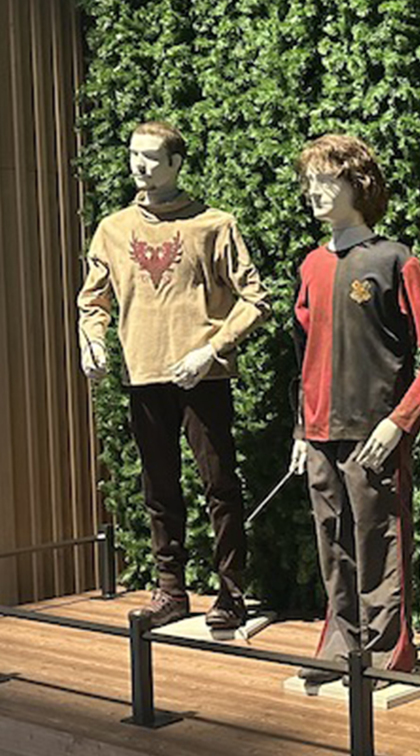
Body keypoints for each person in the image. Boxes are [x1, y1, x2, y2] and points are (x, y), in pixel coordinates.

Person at [78, 121, 270, 629]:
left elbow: (256, 299)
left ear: (177, 163)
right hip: (144, 375)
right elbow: (92, 301)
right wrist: (92, 340)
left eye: (150, 156)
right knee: (158, 489)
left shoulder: (213, 225)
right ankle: (171, 591)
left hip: (202, 376)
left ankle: (231, 593)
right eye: (133, 155)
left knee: (220, 484)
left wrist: (212, 349)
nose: (138, 165)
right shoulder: (113, 229)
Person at [289, 134, 420, 681]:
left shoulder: (394, 260)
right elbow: (304, 356)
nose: (314, 191)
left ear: (358, 185)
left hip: (374, 432)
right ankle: (341, 646)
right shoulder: (311, 266)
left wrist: (400, 422)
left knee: (380, 542)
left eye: (326, 180)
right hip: (320, 432)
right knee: (332, 543)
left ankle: (388, 654)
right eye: (309, 181)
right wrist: (301, 429)